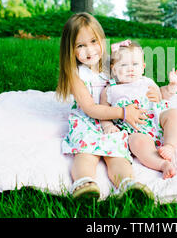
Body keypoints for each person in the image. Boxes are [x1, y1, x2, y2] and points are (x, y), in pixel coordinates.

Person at [56, 12, 158, 200]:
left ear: (102, 40)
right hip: (88, 121)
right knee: (86, 152)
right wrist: (122, 112)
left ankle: (128, 184)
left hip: (113, 122)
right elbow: (90, 109)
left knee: (117, 154)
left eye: (94, 41)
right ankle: (84, 183)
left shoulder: (107, 64)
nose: (90, 50)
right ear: (70, 50)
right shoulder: (76, 75)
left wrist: (156, 92)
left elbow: (128, 73)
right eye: (81, 45)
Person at [100, 40, 177, 179]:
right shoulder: (110, 90)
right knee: (136, 142)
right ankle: (162, 164)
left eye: (135, 64)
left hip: (156, 120)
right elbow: (104, 111)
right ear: (114, 69)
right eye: (124, 65)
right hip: (135, 129)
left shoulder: (147, 82)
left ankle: (169, 146)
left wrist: (171, 87)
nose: (131, 69)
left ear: (143, 67)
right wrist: (107, 125)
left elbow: (161, 95)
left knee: (174, 114)